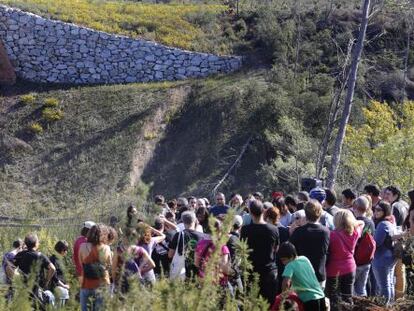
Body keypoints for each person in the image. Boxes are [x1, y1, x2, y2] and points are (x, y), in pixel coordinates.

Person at [240, 199, 279, 304]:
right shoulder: (273, 229)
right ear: (263, 211)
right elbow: (276, 248)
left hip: (251, 273)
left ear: (250, 212)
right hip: (269, 272)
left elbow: (242, 250)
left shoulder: (245, 230)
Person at [325, 210, 364, 308]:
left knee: (334, 299)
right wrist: (353, 222)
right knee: (348, 297)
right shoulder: (355, 232)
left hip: (334, 270)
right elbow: (361, 223)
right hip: (350, 268)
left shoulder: (331, 235)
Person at [290, 200, 329, 288]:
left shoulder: (299, 231)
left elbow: (291, 251)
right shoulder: (325, 231)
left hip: (302, 274)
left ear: (306, 214)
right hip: (319, 274)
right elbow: (325, 251)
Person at [279, 242, 326, 311]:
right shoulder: (304, 259)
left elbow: (286, 282)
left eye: (284, 260)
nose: (283, 263)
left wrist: (283, 297)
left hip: (309, 300)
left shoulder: (290, 265)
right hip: (321, 295)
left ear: (291, 256)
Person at [14, 233, 56, 308]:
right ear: (36, 244)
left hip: (23, 289)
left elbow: (10, 267)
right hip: (36, 289)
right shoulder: (40, 255)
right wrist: (46, 281)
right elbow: (52, 268)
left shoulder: (20, 254)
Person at [79, 224, 112, 311]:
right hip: (102, 284)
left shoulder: (82, 247)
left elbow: (81, 263)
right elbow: (109, 266)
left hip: (86, 284)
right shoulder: (107, 248)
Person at [383, 186, 408, 299]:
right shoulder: (405, 204)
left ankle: (397, 298)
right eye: (385, 193)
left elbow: (393, 226)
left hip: (398, 240)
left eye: (388, 194)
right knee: (401, 269)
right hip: (406, 239)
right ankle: (400, 296)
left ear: (395, 195)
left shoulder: (394, 206)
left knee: (397, 270)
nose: (385, 196)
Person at [112, 227, 155, 293]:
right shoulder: (141, 250)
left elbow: (114, 269)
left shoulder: (119, 251)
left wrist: (114, 282)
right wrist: (140, 270)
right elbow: (152, 265)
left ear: (125, 237)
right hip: (135, 281)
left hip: (122, 282)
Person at [372, 201, 397, 304]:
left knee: (384, 285)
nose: (376, 212)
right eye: (375, 209)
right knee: (389, 283)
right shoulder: (390, 222)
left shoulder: (382, 224)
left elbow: (376, 243)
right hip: (389, 257)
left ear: (385, 211)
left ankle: (384, 306)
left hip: (381, 258)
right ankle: (390, 305)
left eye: (379, 210)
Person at [168, 211, 205, 279]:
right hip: (197, 271)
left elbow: (170, 255)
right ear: (195, 220)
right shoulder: (203, 237)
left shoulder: (178, 235)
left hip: (181, 271)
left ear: (182, 221)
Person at [352, 196, 376, 297]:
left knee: (351, 288)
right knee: (361, 288)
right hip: (367, 260)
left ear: (354, 207)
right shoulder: (371, 222)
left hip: (355, 260)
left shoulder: (355, 223)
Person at [49, 241, 70, 307]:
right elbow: (54, 277)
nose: (66, 252)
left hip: (62, 286)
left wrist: (66, 284)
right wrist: (64, 285)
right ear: (62, 250)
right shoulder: (53, 260)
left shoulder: (60, 259)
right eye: (66, 250)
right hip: (56, 288)